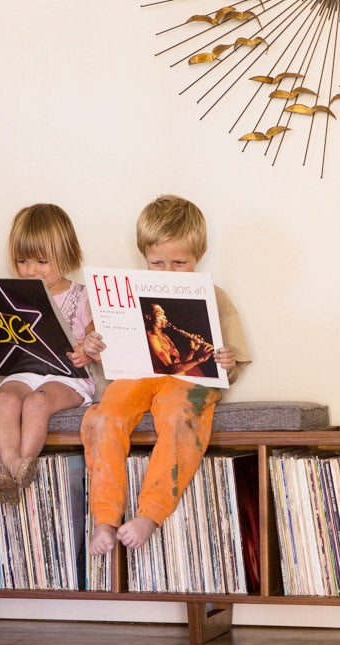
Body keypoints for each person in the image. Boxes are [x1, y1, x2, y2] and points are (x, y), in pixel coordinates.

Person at [80, 194, 251, 554]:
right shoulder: (125, 293)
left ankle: (150, 515)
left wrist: (227, 362)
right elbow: (100, 346)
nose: (168, 271)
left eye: (179, 263)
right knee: (104, 417)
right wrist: (93, 344)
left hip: (188, 380)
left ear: (198, 257)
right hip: (135, 377)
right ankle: (105, 519)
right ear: (144, 255)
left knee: (178, 417)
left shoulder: (214, 297)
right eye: (157, 263)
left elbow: (231, 363)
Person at [0, 203, 96, 504]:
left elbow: (100, 342)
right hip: (25, 372)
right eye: (22, 261)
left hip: (69, 380)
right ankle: (11, 469)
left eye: (42, 261)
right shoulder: (12, 296)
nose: (30, 270)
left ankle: (23, 466)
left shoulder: (81, 296)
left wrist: (88, 350)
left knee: (36, 403)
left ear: (65, 253)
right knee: (5, 397)